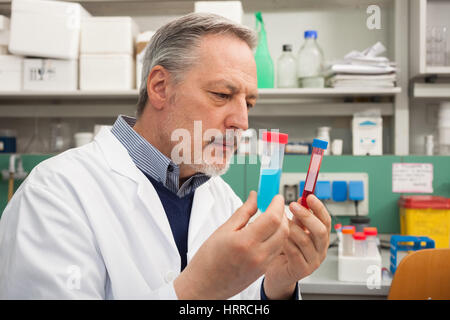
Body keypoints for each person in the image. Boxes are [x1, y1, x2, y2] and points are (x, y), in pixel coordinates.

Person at [0, 13, 330, 299]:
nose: (242, 122)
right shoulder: (55, 193)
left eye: (249, 104)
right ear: (160, 87)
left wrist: (278, 286)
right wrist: (197, 288)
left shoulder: (223, 200)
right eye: (222, 95)